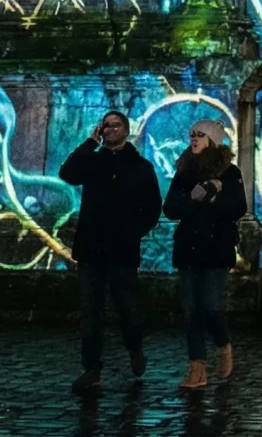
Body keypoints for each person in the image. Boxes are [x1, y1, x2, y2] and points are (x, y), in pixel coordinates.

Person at [59, 110, 163, 395]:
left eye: (116, 125)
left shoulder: (141, 167)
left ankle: (135, 348)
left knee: (128, 309)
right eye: (106, 126)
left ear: (126, 130)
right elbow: (67, 174)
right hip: (92, 250)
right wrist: (87, 144)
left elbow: (153, 207)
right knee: (90, 313)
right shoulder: (93, 161)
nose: (110, 130)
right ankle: (91, 369)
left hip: (123, 251)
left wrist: (133, 232)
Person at [162, 119, 245, 390]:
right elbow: (171, 207)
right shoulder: (184, 171)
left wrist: (214, 197)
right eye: (192, 135)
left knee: (210, 304)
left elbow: (238, 207)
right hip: (188, 247)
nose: (194, 139)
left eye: (200, 135)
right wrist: (194, 200)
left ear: (212, 141)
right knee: (190, 309)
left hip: (217, 247)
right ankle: (196, 368)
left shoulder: (229, 172)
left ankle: (223, 345)